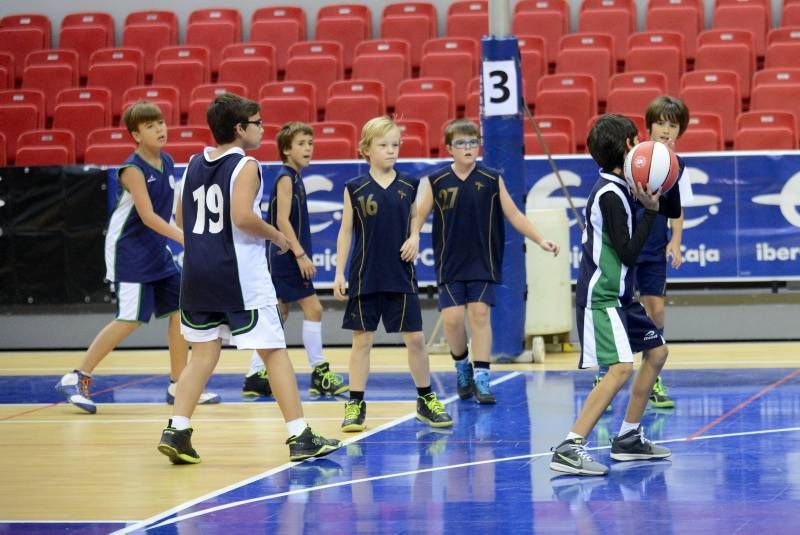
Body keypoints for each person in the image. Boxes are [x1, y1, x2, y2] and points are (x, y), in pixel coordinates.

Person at [156, 93, 341, 464]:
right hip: (237, 275)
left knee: (202, 355)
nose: (262, 128)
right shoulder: (247, 165)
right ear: (240, 129)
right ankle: (300, 435)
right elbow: (242, 217)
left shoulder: (191, 163)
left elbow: (181, 216)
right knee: (274, 351)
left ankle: (177, 430)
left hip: (197, 275)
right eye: (257, 122)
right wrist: (276, 236)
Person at [55, 100, 220, 413]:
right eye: (149, 125)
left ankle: (178, 382)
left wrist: (185, 235)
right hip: (129, 250)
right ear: (135, 134)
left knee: (180, 311)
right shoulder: (132, 169)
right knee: (130, 319)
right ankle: (76, 377)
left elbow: (166, 214)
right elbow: (146, 216)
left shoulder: (168, 161)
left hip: (157, 249)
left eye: (160, 122)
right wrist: (186, 240)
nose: (159, 129)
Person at [549, 114, 681, 476]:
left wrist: (669, 174)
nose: (641, 144)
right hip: (601, 297)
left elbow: (673, 206)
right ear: (627, 147)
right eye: (636, 139)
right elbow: (627, 253)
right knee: (621, 368)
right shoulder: (610, 193)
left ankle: (628, 437)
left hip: (620, 296)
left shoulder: (624, 185)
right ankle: (569, 447)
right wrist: (651, 214)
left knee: (657, 352)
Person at [412, 119, 560, 404]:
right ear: (448, 149)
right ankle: (462, 366)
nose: (468, 147)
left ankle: (481, 376)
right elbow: (417, 215)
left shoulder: (492, 179)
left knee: (480, 315)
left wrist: (540, 239)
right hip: (449, 261)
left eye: (473, 141)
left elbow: (514, 214)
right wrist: (412, 237)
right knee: (453, 320)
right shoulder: (436, 182)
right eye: (461, 143)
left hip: (483, 260)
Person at [333, 115, 452, 432]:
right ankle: (355, 403)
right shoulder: (354, 188)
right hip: (364, 274)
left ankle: (426, 400)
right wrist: (339, 272)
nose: (391, 150)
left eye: (395, 145)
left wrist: (414, 237)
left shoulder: (411, 184)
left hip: (400, 275)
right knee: (362, 341)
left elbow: (416, 220)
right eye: (383, 145)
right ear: (366, 149)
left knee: (415, 339)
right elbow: (346, 232)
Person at [594, 96, 694, 411]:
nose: (666, 130)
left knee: (657, 310)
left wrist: (675, 240)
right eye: (660, 123)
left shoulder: (677, 167)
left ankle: (652, 374)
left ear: (680, 131)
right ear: (648, 126)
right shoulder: (632, 159)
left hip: (652, 248)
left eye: (672, 125)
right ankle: (605, 372)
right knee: (617, 310)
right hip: (625, 247)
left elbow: (677, 209)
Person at [242, 121, 348, 399]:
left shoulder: (294, 176)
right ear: (287, 149)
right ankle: (319, 372)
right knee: (313, 309)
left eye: (310, 143)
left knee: (279, 315)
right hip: (286, 256)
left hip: (283, 256)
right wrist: (300, 254)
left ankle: (254, 375)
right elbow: (280, 220)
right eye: (301, 144)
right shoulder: (286, 177)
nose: (308, 148)